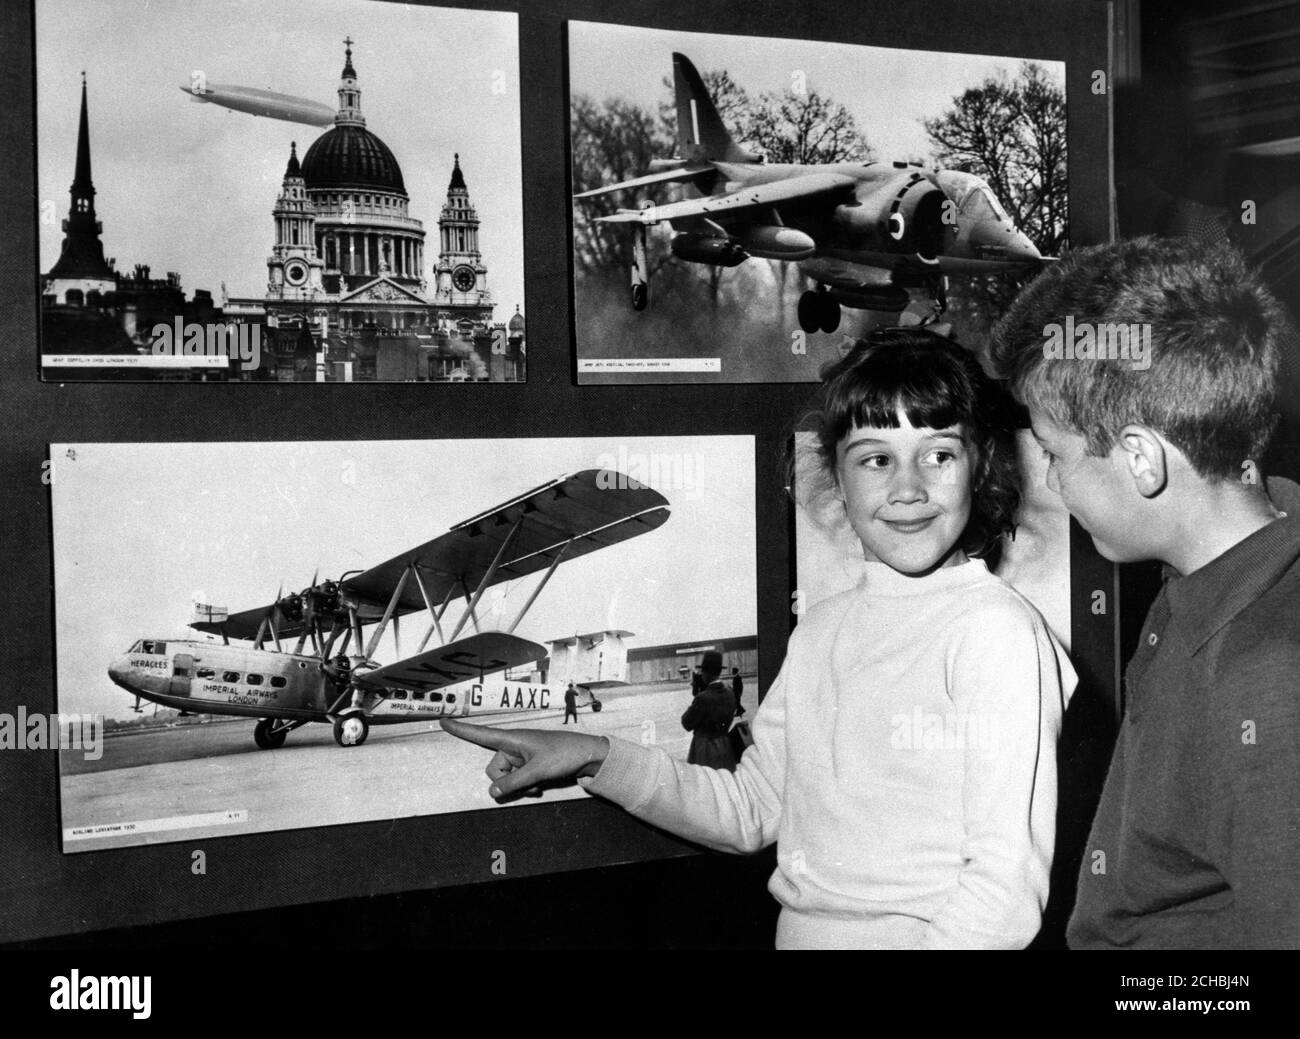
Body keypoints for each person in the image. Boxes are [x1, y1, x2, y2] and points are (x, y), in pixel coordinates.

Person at [443, 329, 1074, 949]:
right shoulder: (823, 628)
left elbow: (1001, 897)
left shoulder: (995, 631)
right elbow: (749, 808)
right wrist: (593, 754)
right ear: (836, 475)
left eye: (939, 454)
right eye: (876, 458)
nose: (908, 488)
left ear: (980, 464)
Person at [989, 236, 1300, 949]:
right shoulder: (1213, 571)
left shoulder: (1270, 681)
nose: (1051, 480)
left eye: (1054, 451)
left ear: (1141, 458)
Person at [680, 650, 736, 770]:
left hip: (704, 749)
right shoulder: (730, 692)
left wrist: (698, 697)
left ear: (706, 673)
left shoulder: (703, 698)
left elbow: (686, 723)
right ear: (719, 671)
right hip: (725, 746)